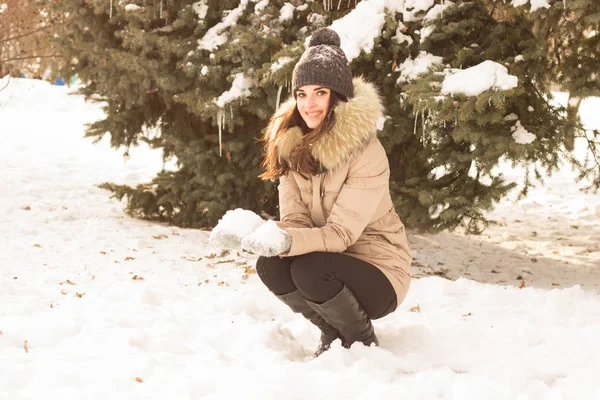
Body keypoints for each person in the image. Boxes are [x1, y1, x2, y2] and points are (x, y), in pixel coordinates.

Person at [212, 28, 412, 356]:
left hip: (381, 271)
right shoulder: (293, 147)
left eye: (320, 92)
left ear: (338, 95)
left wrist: (288, 241)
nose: (309, 104)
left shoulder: (366, 151)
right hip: (329, 260)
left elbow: (342, 234)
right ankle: (332, 333)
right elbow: (297, 220)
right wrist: (255, 233)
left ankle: (361, 340)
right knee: (271, 265)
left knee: (309, 269)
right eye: (302, 94)